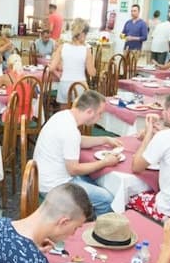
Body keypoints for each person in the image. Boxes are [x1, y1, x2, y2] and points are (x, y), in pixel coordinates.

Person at [33, 90, 124, 218]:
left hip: (44, 179)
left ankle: (85, 216)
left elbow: (79, 141)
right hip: (54, 187)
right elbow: (74, 169)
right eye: (100, 114)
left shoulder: (63, 116)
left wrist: (105, 139)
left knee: (94, 179)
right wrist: (105, 162)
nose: (100, 117)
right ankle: (98, 227)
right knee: (107, 199)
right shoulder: (70, 131)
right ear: (89, 112)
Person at [50, 17, 95, 104]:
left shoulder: (62, 47)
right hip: (80, 86)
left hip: (64, 85)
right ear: (83, 34)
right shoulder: (86, 50)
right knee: (80, 111)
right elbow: (92, 73)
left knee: (64, 111)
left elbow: (51, 68)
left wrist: (59, 73)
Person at [0, 53, 33, 119]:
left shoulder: (5, 78)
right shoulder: (28, 77)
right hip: (28, 115)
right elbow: (34, 95)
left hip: (12, 117)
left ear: (9, 65)